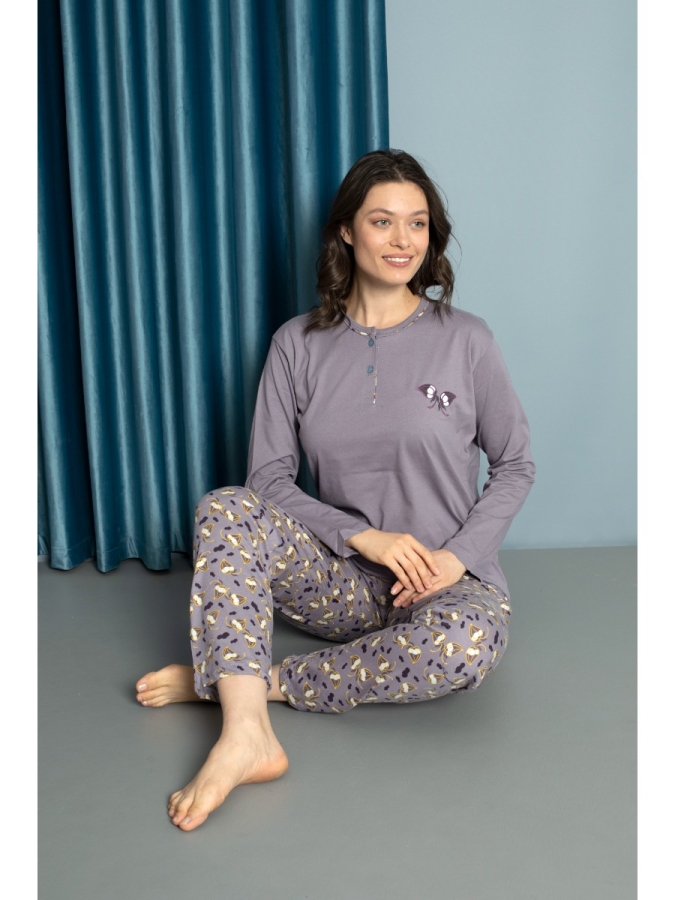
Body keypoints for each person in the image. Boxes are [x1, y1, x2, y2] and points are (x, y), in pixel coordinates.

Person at [135, 149, 536, 831]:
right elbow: (266, 480)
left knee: (465, 645)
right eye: (382, 221)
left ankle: (246, 685)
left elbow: (516, 463)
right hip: (343, 582)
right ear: (347, 231)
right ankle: (245, 735)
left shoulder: (466, 339)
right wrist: (362, 536)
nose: (403, 240)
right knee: (225, 506)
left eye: (417, 223)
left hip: (445, 584)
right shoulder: (296, 344)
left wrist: (456, 558)